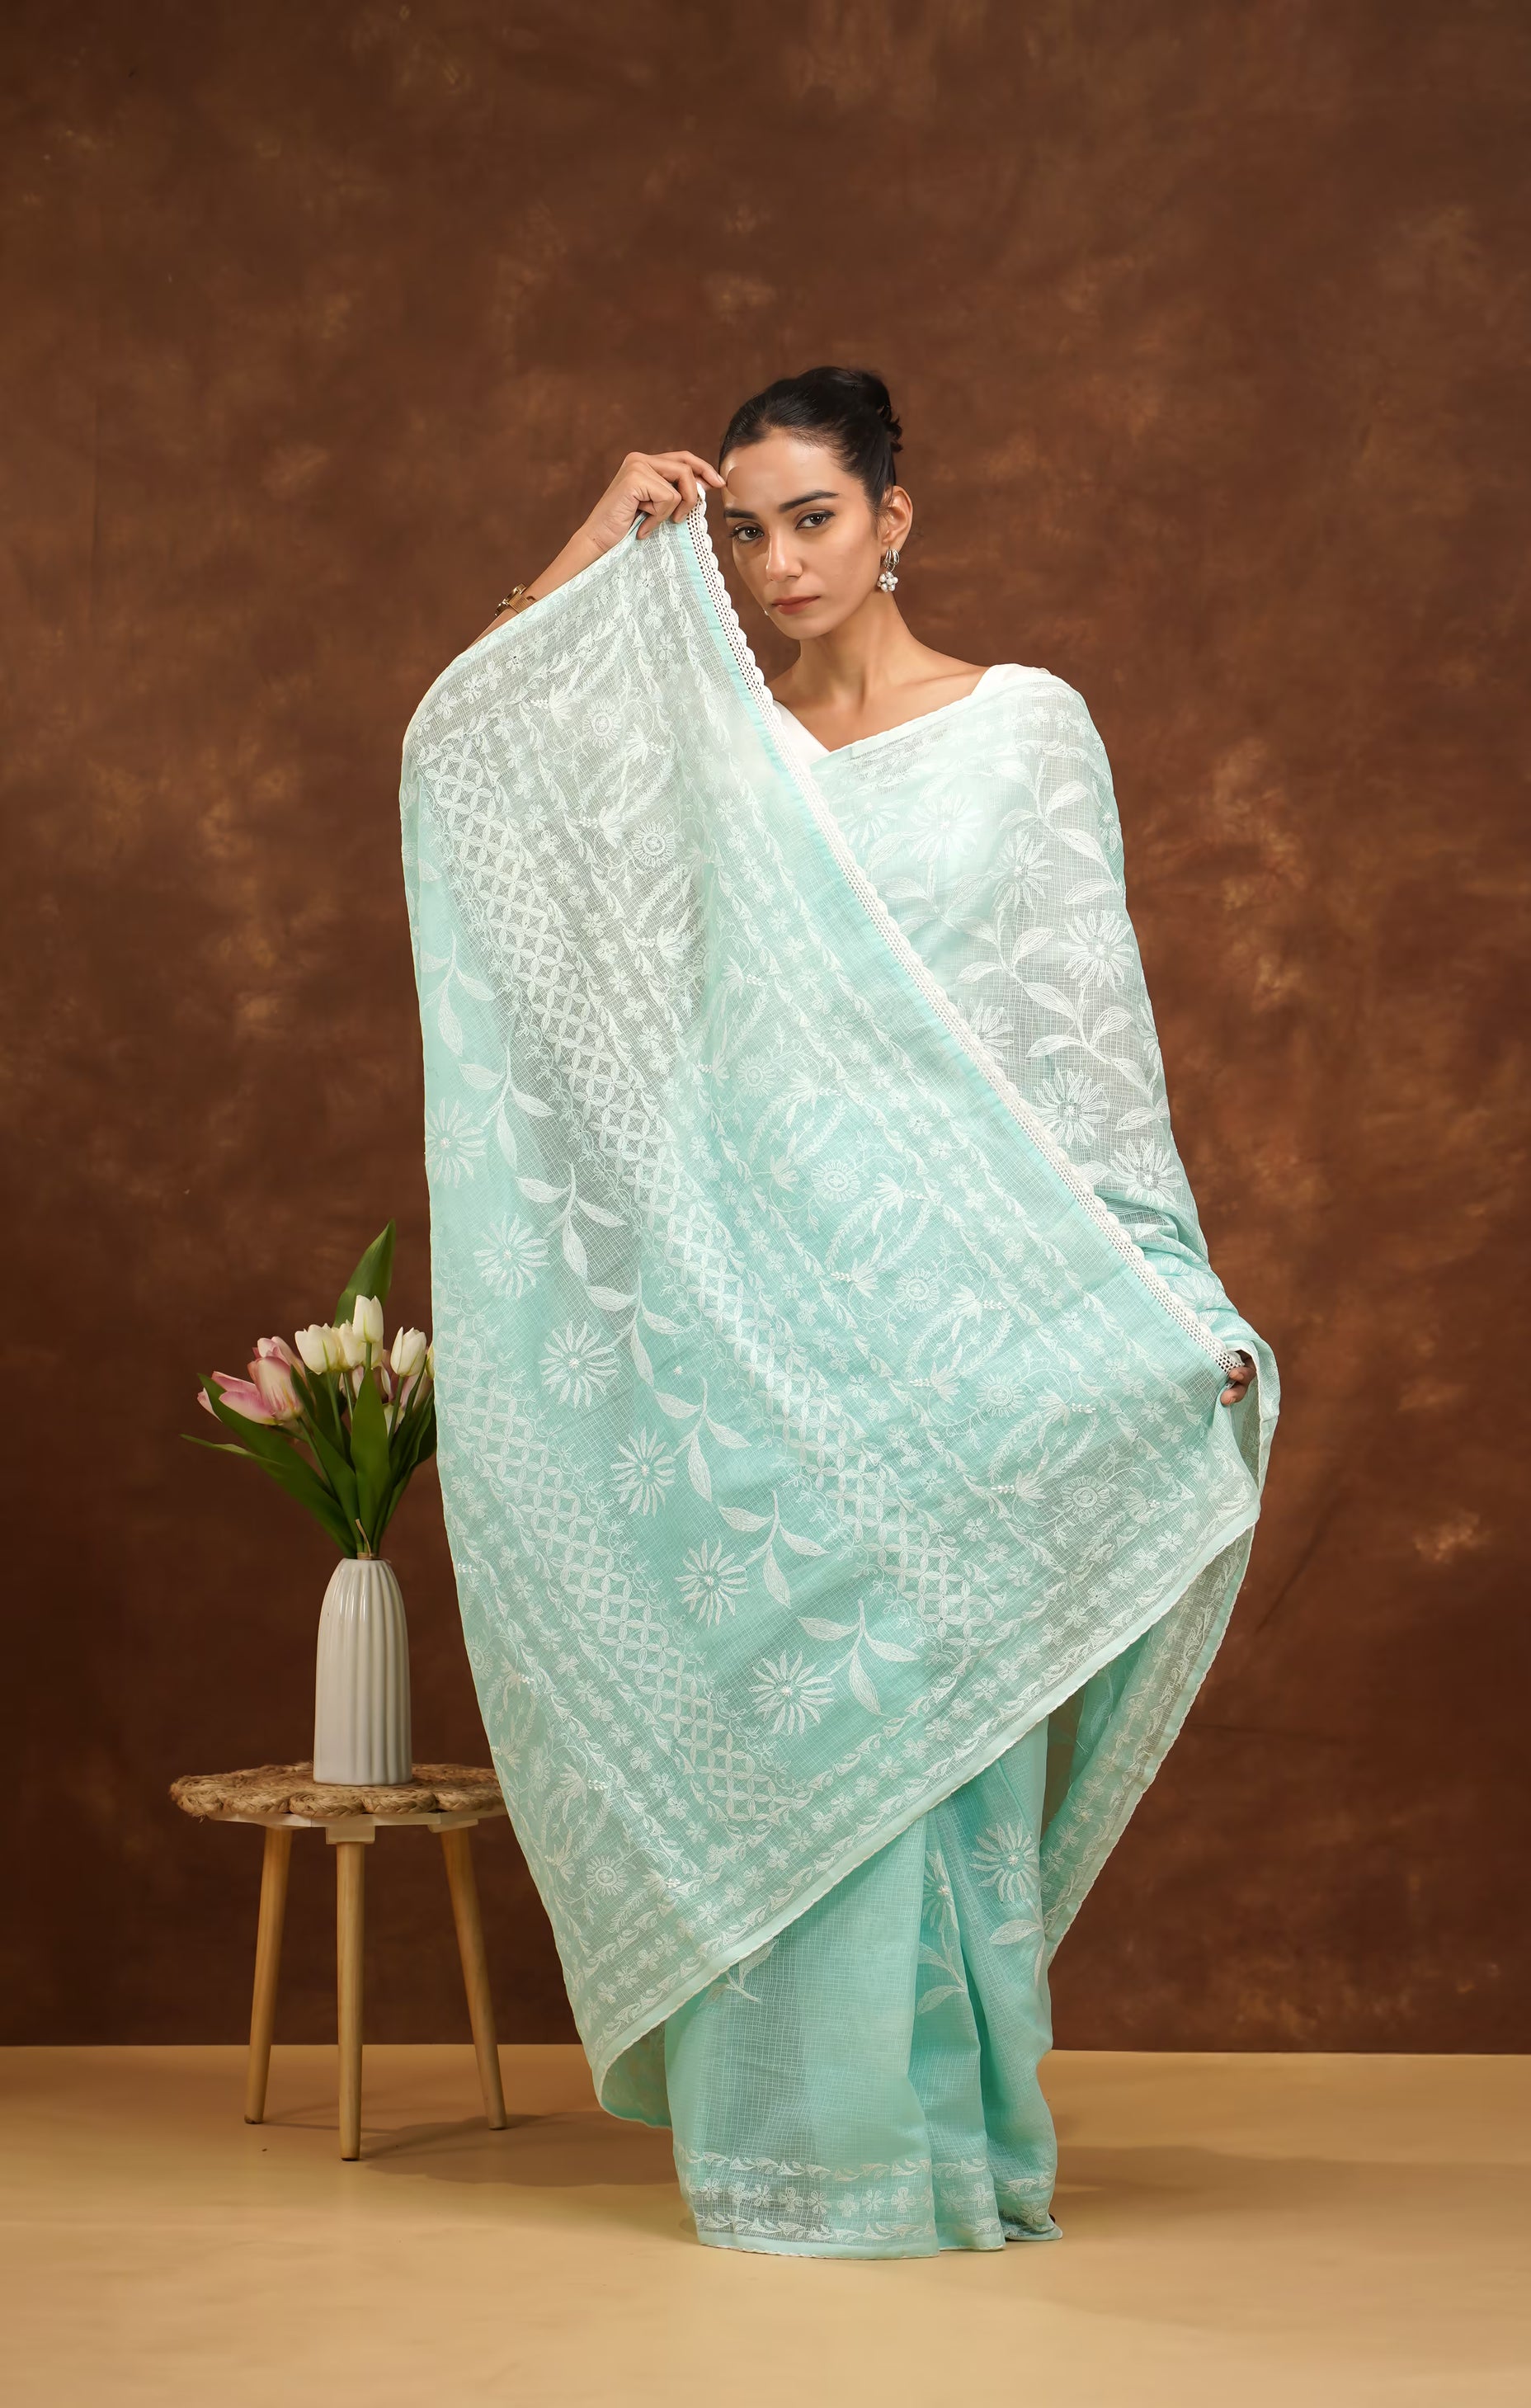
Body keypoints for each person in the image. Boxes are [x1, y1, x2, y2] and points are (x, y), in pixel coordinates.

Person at [402, 366, 1278, 2257]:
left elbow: (1076, 1030)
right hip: (754, 1306)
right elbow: (480, 763)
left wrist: (1158, 1284)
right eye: (746, 525)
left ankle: (933, 2154)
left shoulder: (1022, 730)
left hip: (957, 1309)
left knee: (933, 1731)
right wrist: (594, 539)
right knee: (796, 1726)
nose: (779, 560)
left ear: (897, 519)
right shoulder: (718, 747)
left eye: (814, 518)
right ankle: (795, 2161)